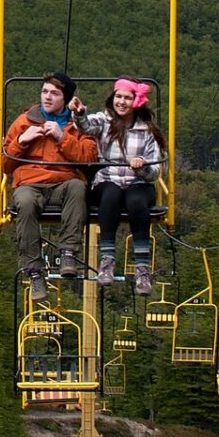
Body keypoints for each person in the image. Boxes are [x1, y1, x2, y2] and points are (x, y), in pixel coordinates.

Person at [1, 72, 98, 298]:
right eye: (45, 91)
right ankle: (34, 272)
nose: (47, 97)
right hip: (31, 183)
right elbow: (5, 165)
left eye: (54, 93)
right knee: (24, 202)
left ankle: (68, 253)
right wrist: (22, 141)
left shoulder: (79, 125)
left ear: (65, 98)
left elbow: (89, 160)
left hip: (62, 183)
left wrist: (61, 138)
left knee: (78, 188)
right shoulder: (24, 121)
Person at [83, 78, 167, 295]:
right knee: (110, 194)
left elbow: (155, 172)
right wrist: (78, 113)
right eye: (118, 97)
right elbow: (85, 125)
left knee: (136, 201)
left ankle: (142, 268)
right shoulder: (104, 121)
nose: (121, 102)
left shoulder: (147, 131)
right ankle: (107, 260)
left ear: (136, 102)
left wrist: (141, 168)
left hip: (137, 181)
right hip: (108, 180)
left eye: (127, 98)